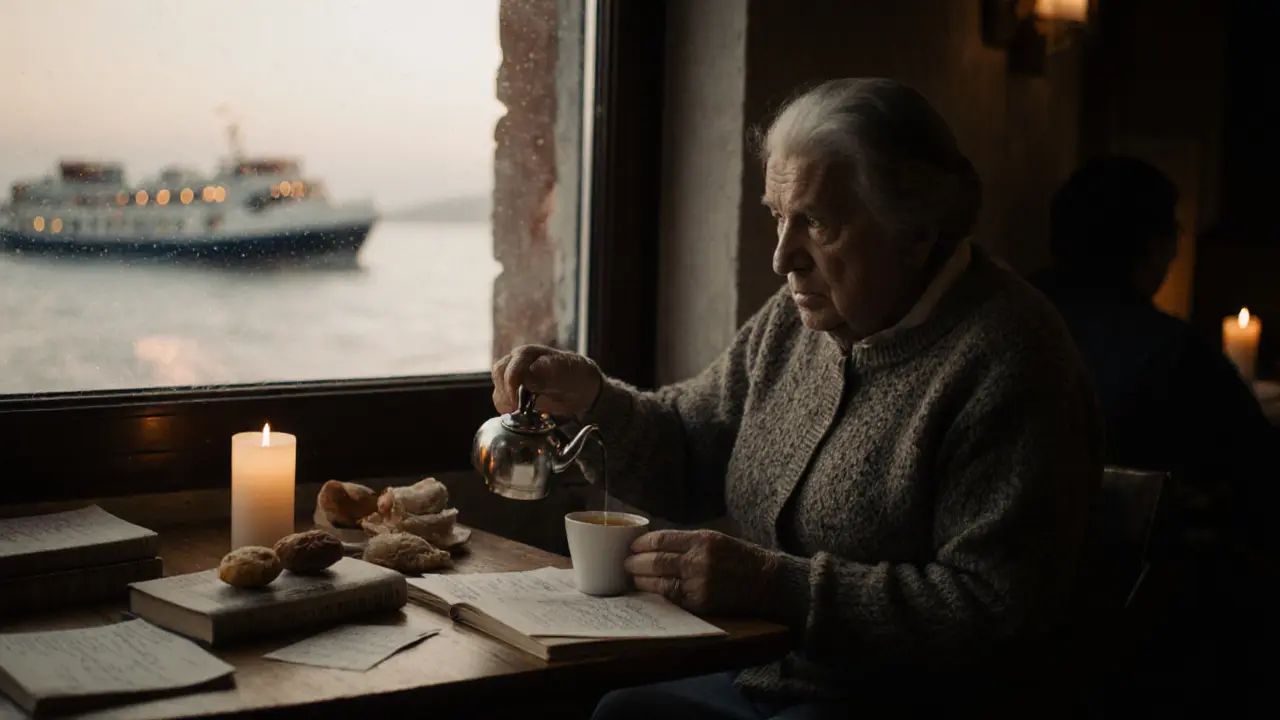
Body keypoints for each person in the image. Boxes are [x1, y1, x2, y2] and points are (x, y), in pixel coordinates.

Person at [493, 78, 1104, 718]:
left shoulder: (1011, 359)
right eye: (778, 216)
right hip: (758, 675)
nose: (784, 258)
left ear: (918, 228)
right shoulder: (796, 319)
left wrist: (773, 586)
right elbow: (689, 446)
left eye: (817, 222)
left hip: (903, 700)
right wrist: (591, 397)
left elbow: (994, 608)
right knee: (615, 709)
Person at [1030, 157, 1277, 714]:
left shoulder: (1007, 313)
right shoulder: (1170, 351)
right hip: (1119, 615)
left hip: (1019, 610)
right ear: (1149, 244)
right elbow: (1260, 469)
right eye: (1171, 234)